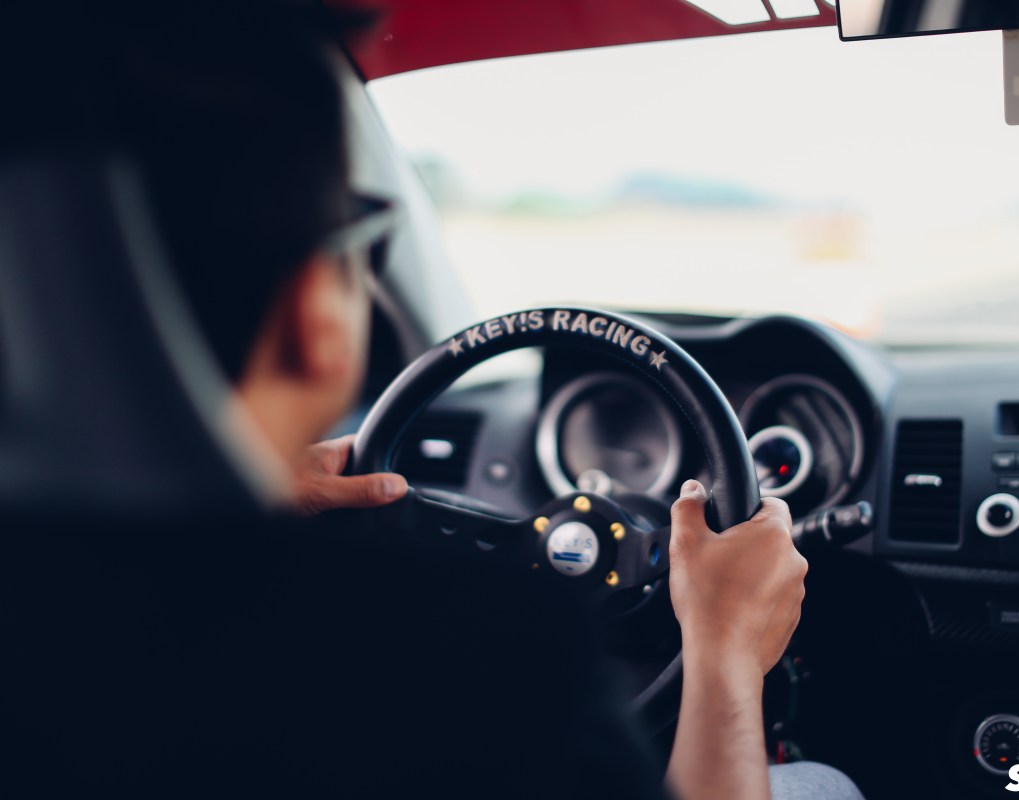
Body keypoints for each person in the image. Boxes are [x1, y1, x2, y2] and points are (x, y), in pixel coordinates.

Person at [1, 3, 862, 798]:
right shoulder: (473, 647)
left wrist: (262, 504)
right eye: (365, 244)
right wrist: (725, 646)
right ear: (317, 317)